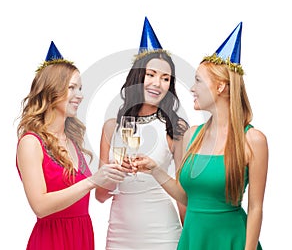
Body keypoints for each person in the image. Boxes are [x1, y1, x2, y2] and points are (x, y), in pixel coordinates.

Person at [134, 22, 268, 250]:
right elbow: (186, 197)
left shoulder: (253, 139)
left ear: (221, 87)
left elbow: (256, 208)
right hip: (193, 241)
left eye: (198, 81)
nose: (192, 89)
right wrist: (154, 169)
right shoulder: (191, 135)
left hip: (232, 241)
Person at [16, 41, 126, 250]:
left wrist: (111, 175)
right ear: (51, 91)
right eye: (72, 88)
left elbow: (92, 195)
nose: (80, 95)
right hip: (52, 241)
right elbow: (40, 206)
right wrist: (92, 181)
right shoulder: (31, 142)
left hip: (81, 237)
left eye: (80, 88)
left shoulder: (72, 141)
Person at [95, 17, 189, 250]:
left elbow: (183, 194)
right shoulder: (110, 127)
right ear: (138, 77)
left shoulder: (176, 129)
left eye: (166, 78)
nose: (158, 83)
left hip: (162, 233)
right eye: (151, 74)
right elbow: (100, 195)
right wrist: (113, 175)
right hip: (119, 234)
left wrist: (191, 238)